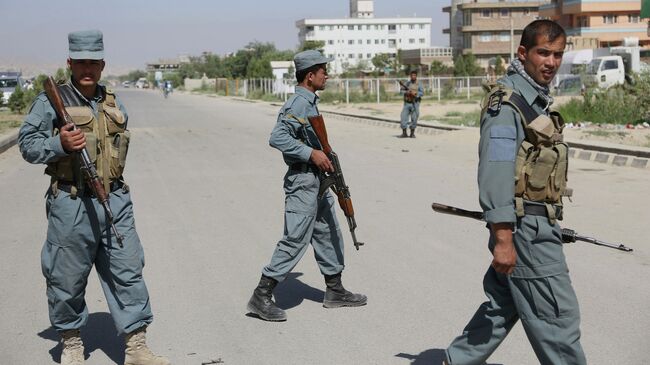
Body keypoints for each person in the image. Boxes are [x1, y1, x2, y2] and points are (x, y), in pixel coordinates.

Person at [18, 30, 170, 365]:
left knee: (128, 270)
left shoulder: (112, 101)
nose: (88, 68)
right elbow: (27, 145)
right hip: (71, 204)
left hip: (114, 200)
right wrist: (58, 145)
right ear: (70, 62)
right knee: (66, 277)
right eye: (81, 62)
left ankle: (136, 347)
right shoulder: (50, 100)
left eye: (94, 62)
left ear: (103, 64)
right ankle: (72, 343)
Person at [444, 20, 587, 365]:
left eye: (557, 54)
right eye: (543, 53)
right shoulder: (507, 105)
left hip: (535, 226)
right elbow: (495, 172)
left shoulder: (533, 101)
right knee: (558, 320)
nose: (551, 62)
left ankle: (456, 360)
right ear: (523, 54)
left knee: (501, 308)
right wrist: (504, 239)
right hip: (526, 234)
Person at [246, 50, 367, 322]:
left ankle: (335, 291)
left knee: (328, 232)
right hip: (303, 181)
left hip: (317, 181)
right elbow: (277, 137)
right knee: (296, 238)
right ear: (309, 75)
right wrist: (311, 154)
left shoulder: (310, 102)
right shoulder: (297, 104)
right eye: (323, 70)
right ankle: (261, 295)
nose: (327, 74)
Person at [399, 70, 423, 138]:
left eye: (414, 75)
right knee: (403, 117)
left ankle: (412, 133)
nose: (413, 76)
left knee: (414, 118)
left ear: (416, 76)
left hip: (415, 103)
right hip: (407, 103)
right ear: (410, 76)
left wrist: (416, 94)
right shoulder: (407, 83)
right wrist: (406, 93)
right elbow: (401, 91)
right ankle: (404, 133)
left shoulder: (419, 84)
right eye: (412, 75)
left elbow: (422, 93)